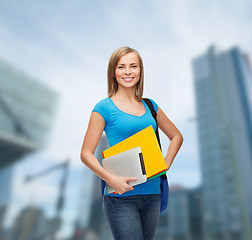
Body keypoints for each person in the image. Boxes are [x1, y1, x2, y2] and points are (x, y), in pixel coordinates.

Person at [80, 46, 183, 240]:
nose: (128, 72)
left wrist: (166, 163)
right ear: (113, 72)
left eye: (133, 66)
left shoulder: (151, 105)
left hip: (153, 194)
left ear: (140, 71)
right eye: (121, 67)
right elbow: (85, 154)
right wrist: (111, 179)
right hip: (121, 198)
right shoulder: (104, 107)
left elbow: (176, 136)